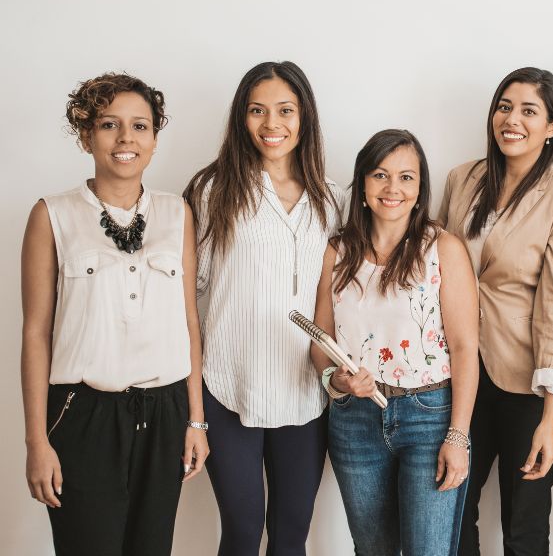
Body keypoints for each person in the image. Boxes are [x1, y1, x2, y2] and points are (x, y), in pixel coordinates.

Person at [21, 72, 208, 555]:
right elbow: (36, 333)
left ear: (154, 139)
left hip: (164, 413)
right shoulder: (52, 215)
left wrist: (195, 421)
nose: (126, 139)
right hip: (83, 414)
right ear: (87, 135)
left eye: (140, 126)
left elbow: (190, 322)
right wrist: (36, 443)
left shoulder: (177, 214)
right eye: (109, 124)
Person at [183, 61, 342, 555]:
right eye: (257, 111)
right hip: (229, 389)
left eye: (285, 110)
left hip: (304, 395)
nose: (272, 124)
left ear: (305, 117)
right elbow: (187, 302)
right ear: (241, 119)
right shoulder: (213, 192)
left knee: (292, 536)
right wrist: (194, 417)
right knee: (242, 532)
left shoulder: (333, 200)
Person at [437, 67, 553, 555]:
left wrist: (550, 416)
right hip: (462, 370)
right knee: (451, 506)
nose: (512, 119)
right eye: (505, 106)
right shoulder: (462, 179)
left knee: (523, 523)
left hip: (532, 380)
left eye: (529, 111)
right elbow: (436, 268)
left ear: (552, 128)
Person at [310, 128, 479, 555]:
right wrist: (339, 382)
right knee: (373, 550)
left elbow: (464, 349)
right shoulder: (338, 250)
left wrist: (458, 437)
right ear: (363, 184)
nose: (393, 189)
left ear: (420, 189)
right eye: (381, 175)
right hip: (354, 420)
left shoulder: (443, 248)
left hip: (430, 417)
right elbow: (320, 341)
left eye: (407, 177)